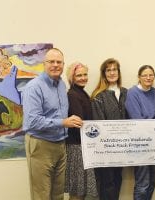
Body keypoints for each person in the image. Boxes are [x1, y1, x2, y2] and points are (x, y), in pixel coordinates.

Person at [22, 48, 83, 200]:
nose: (55, 65)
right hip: (41, 145)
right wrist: (64, 122)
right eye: (51, 61)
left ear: (63, 65)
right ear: (44, 64)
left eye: (59, 62)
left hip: (60, 145)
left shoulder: (61, 85)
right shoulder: (34, 87)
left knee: (58, 193)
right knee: (42, 194)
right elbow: (33, 121)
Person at [91, 58, 127, 200]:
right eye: (108, 70)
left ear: (118, 72)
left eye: (114, 69)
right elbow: (98, 125)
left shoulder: (126, 92)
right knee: (107, 183)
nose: (112, 73)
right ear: (104, 74)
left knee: (118, 179)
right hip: (105, 150)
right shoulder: (98, 96)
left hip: (122, 148)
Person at [65, 62, 98, 200]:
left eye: (85, 74)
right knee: (78, 191)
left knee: (82, 189)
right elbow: (80, 122)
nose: (83, 78)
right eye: (79, 75)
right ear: (72, 77)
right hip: (77, 148)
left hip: (83, 146)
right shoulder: (73, 94)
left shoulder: (82, 92)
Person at [125, 65, 155, 200]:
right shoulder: (132, 93)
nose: (148, 78)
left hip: (154, 142)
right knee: (142, 183)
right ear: (139, 77)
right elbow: (136, 119)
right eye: (145, 75)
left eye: (151, 75)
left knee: (152, 182)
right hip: (140, 143)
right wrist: (152, 126)